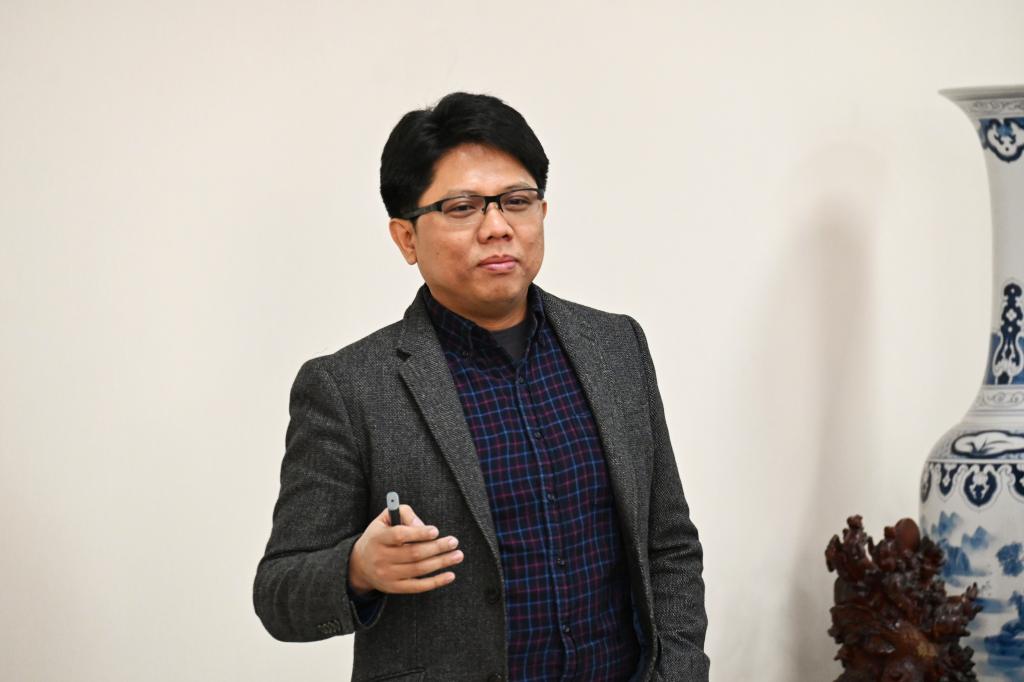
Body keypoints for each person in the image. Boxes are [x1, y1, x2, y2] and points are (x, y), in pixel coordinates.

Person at [253, 92, 708, 681]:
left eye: (517, 201)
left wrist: (680, 672)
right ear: (406, 238)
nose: (497, 228)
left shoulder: (615, 347)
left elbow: (668, 544)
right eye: (462, 207)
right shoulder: (349, 388)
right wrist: (357, 569)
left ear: (542, 212)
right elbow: (279, 592)